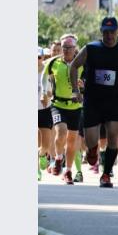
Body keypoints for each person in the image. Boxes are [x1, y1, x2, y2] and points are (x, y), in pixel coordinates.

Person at [69, 17, 118, 188]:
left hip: (113, 100)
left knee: (113, 137)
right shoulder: (91, 48)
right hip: (93, 100)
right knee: (92, 141)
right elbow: (73, 66)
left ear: (117, 32)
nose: (109, 35)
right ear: (101, 32)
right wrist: (75, 90)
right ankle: (92, 151)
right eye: (106, 32)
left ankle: (106, 174)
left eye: (112, 31)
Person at [43, 34, 84, 185]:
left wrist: (83, 85)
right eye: (64, 48)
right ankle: (58, 158)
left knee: (72, 141)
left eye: (69, 48)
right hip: (58, 104)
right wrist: (43, 93)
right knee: (61, 133)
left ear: (75, 49)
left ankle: (68, 171)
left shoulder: (82, 63)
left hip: (75, 105)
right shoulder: (54, 62)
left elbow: (88, 81)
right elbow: (43, 76)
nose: (66, 50)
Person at [38, 47, 54, 181]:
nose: (36, 60)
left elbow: (53, 90)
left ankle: (42, 154)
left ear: (43, 57)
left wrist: (50, 94)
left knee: (46, 145)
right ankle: (36, 171)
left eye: (39, 57)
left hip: (45, 110)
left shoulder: (48, 71)